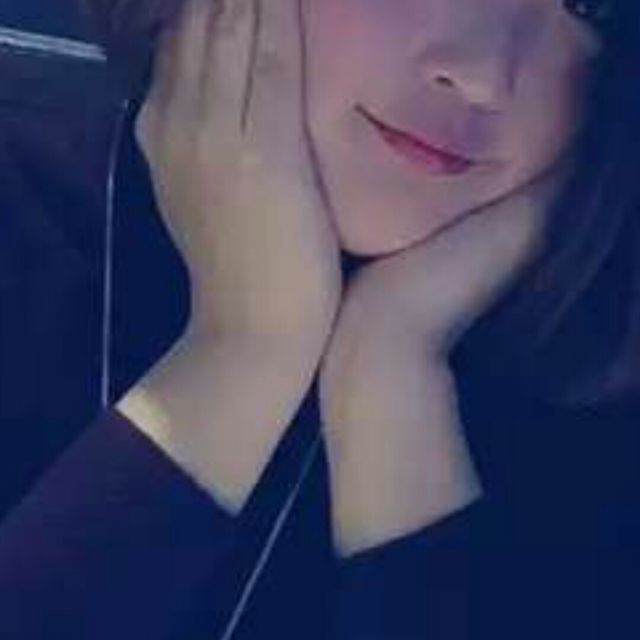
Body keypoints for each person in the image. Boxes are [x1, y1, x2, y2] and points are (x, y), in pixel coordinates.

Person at [0, 0, 639, 637]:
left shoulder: (601, 439)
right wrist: (246, 348)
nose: (485, 75)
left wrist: (390, 376)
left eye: (587, 4)